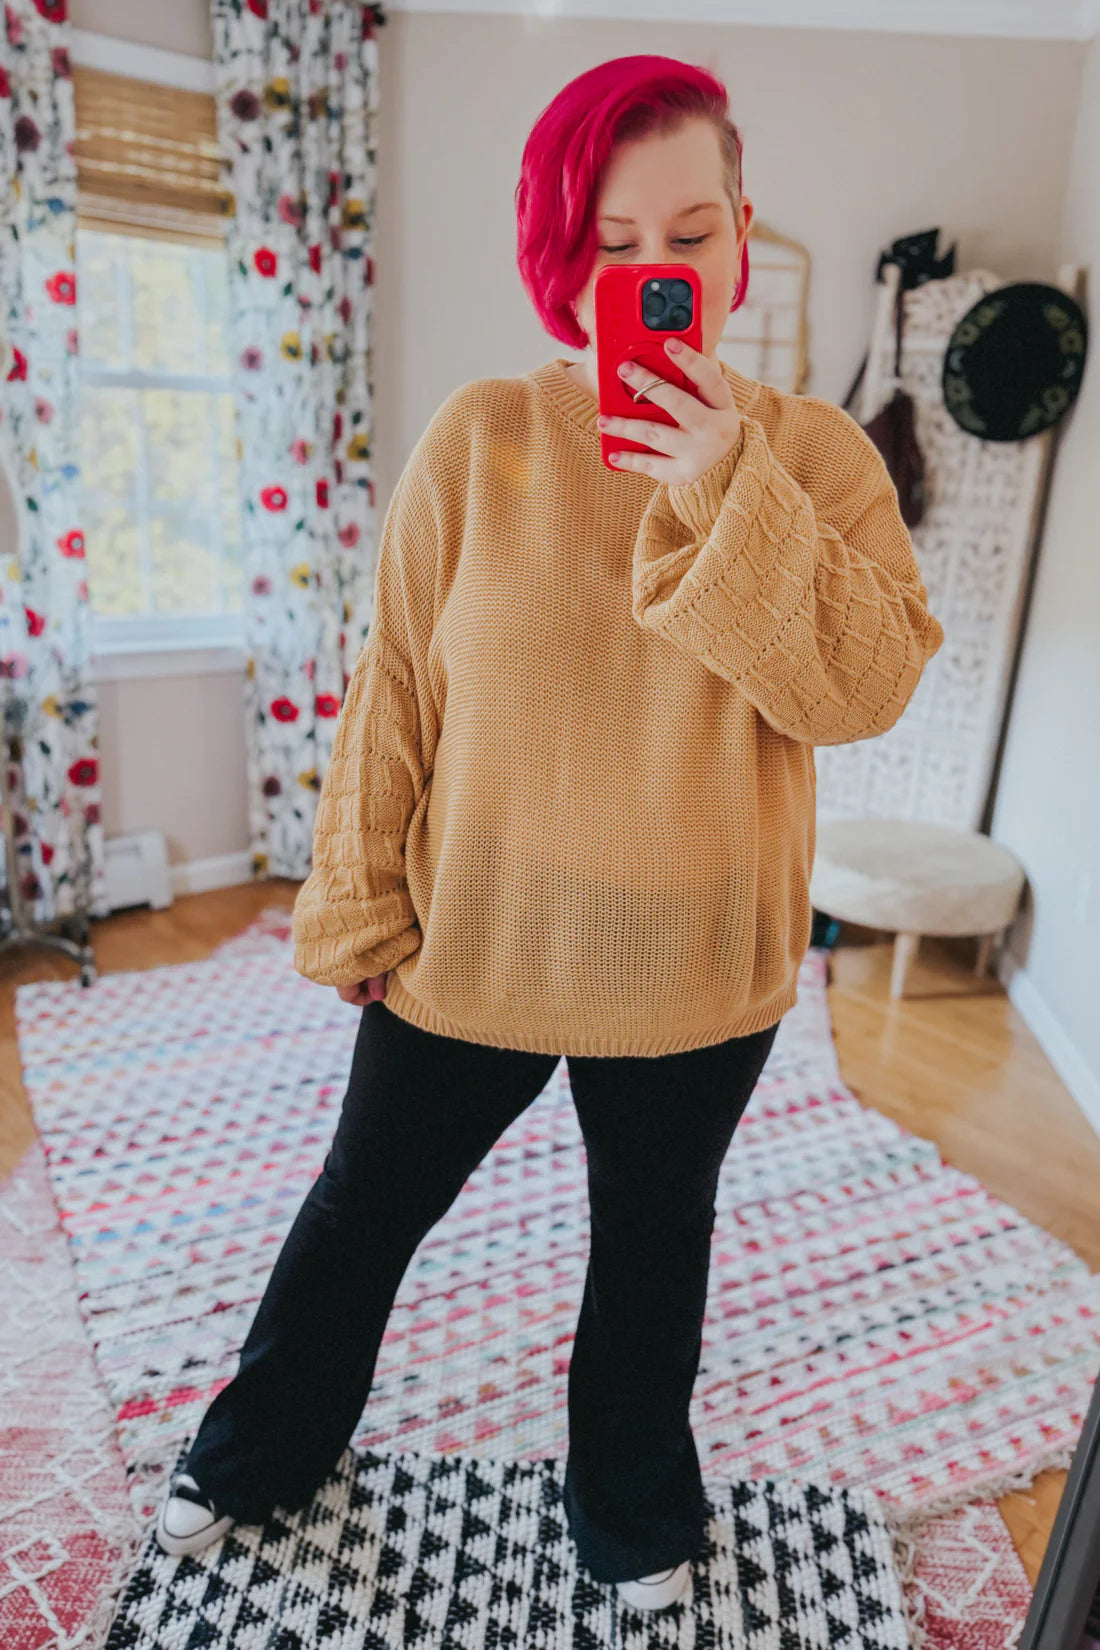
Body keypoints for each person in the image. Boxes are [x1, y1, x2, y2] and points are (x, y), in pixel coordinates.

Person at [156, 53, 944, 1616]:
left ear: (741, 234)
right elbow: (394, 688)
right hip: (482, 934)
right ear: (564, 252)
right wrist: (359, 908)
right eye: (615, 241)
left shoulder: (820, 458)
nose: (658, 274)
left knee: (652, 1255)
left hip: (696, 957)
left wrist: (729, 483)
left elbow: (861, 689)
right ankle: (260, 1450)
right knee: (359, 1214)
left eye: (692, 232)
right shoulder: (481, 439)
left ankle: (632, 1500)